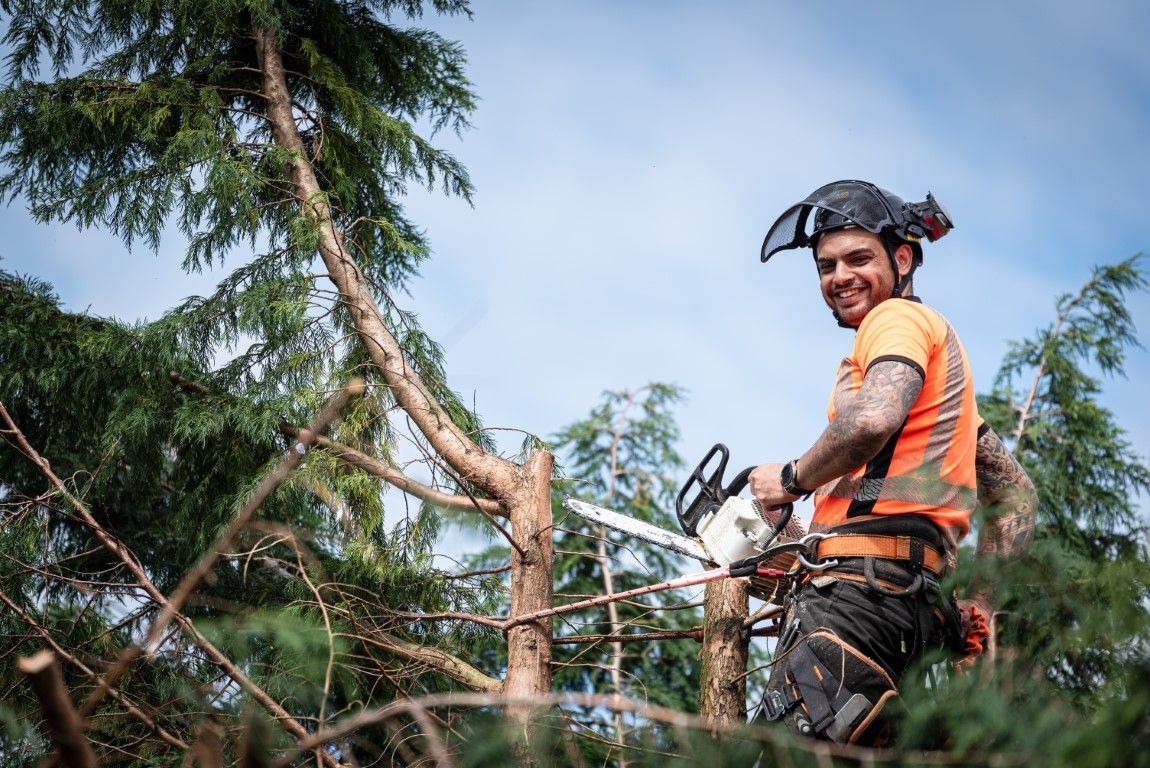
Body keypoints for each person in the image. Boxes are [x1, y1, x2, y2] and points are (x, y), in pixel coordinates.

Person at [747, 180, 1036, 746]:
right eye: (826, 266)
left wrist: (788, 480)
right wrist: (977, 604)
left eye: (859, 259)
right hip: (909, 613)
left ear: (902, 259)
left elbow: (874, 418)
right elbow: (1016, 495)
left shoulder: (895, 321)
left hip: (860, 604)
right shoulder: (946, 389)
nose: (840, 277)